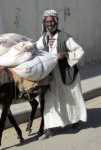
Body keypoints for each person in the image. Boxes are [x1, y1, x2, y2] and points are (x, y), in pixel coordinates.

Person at [35, 9, 87, 140]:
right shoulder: (44, 38)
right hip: (52, 76)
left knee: (70, 99)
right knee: (50, 101)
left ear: (56, 21)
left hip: (67, 74)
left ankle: (76, 122)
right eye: (47, 21)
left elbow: (80, 51)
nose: (49, 24)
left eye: (51, 21)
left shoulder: (65, 37)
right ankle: (49, 129)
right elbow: (35, 47)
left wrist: (66, 55)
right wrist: (24, 46)